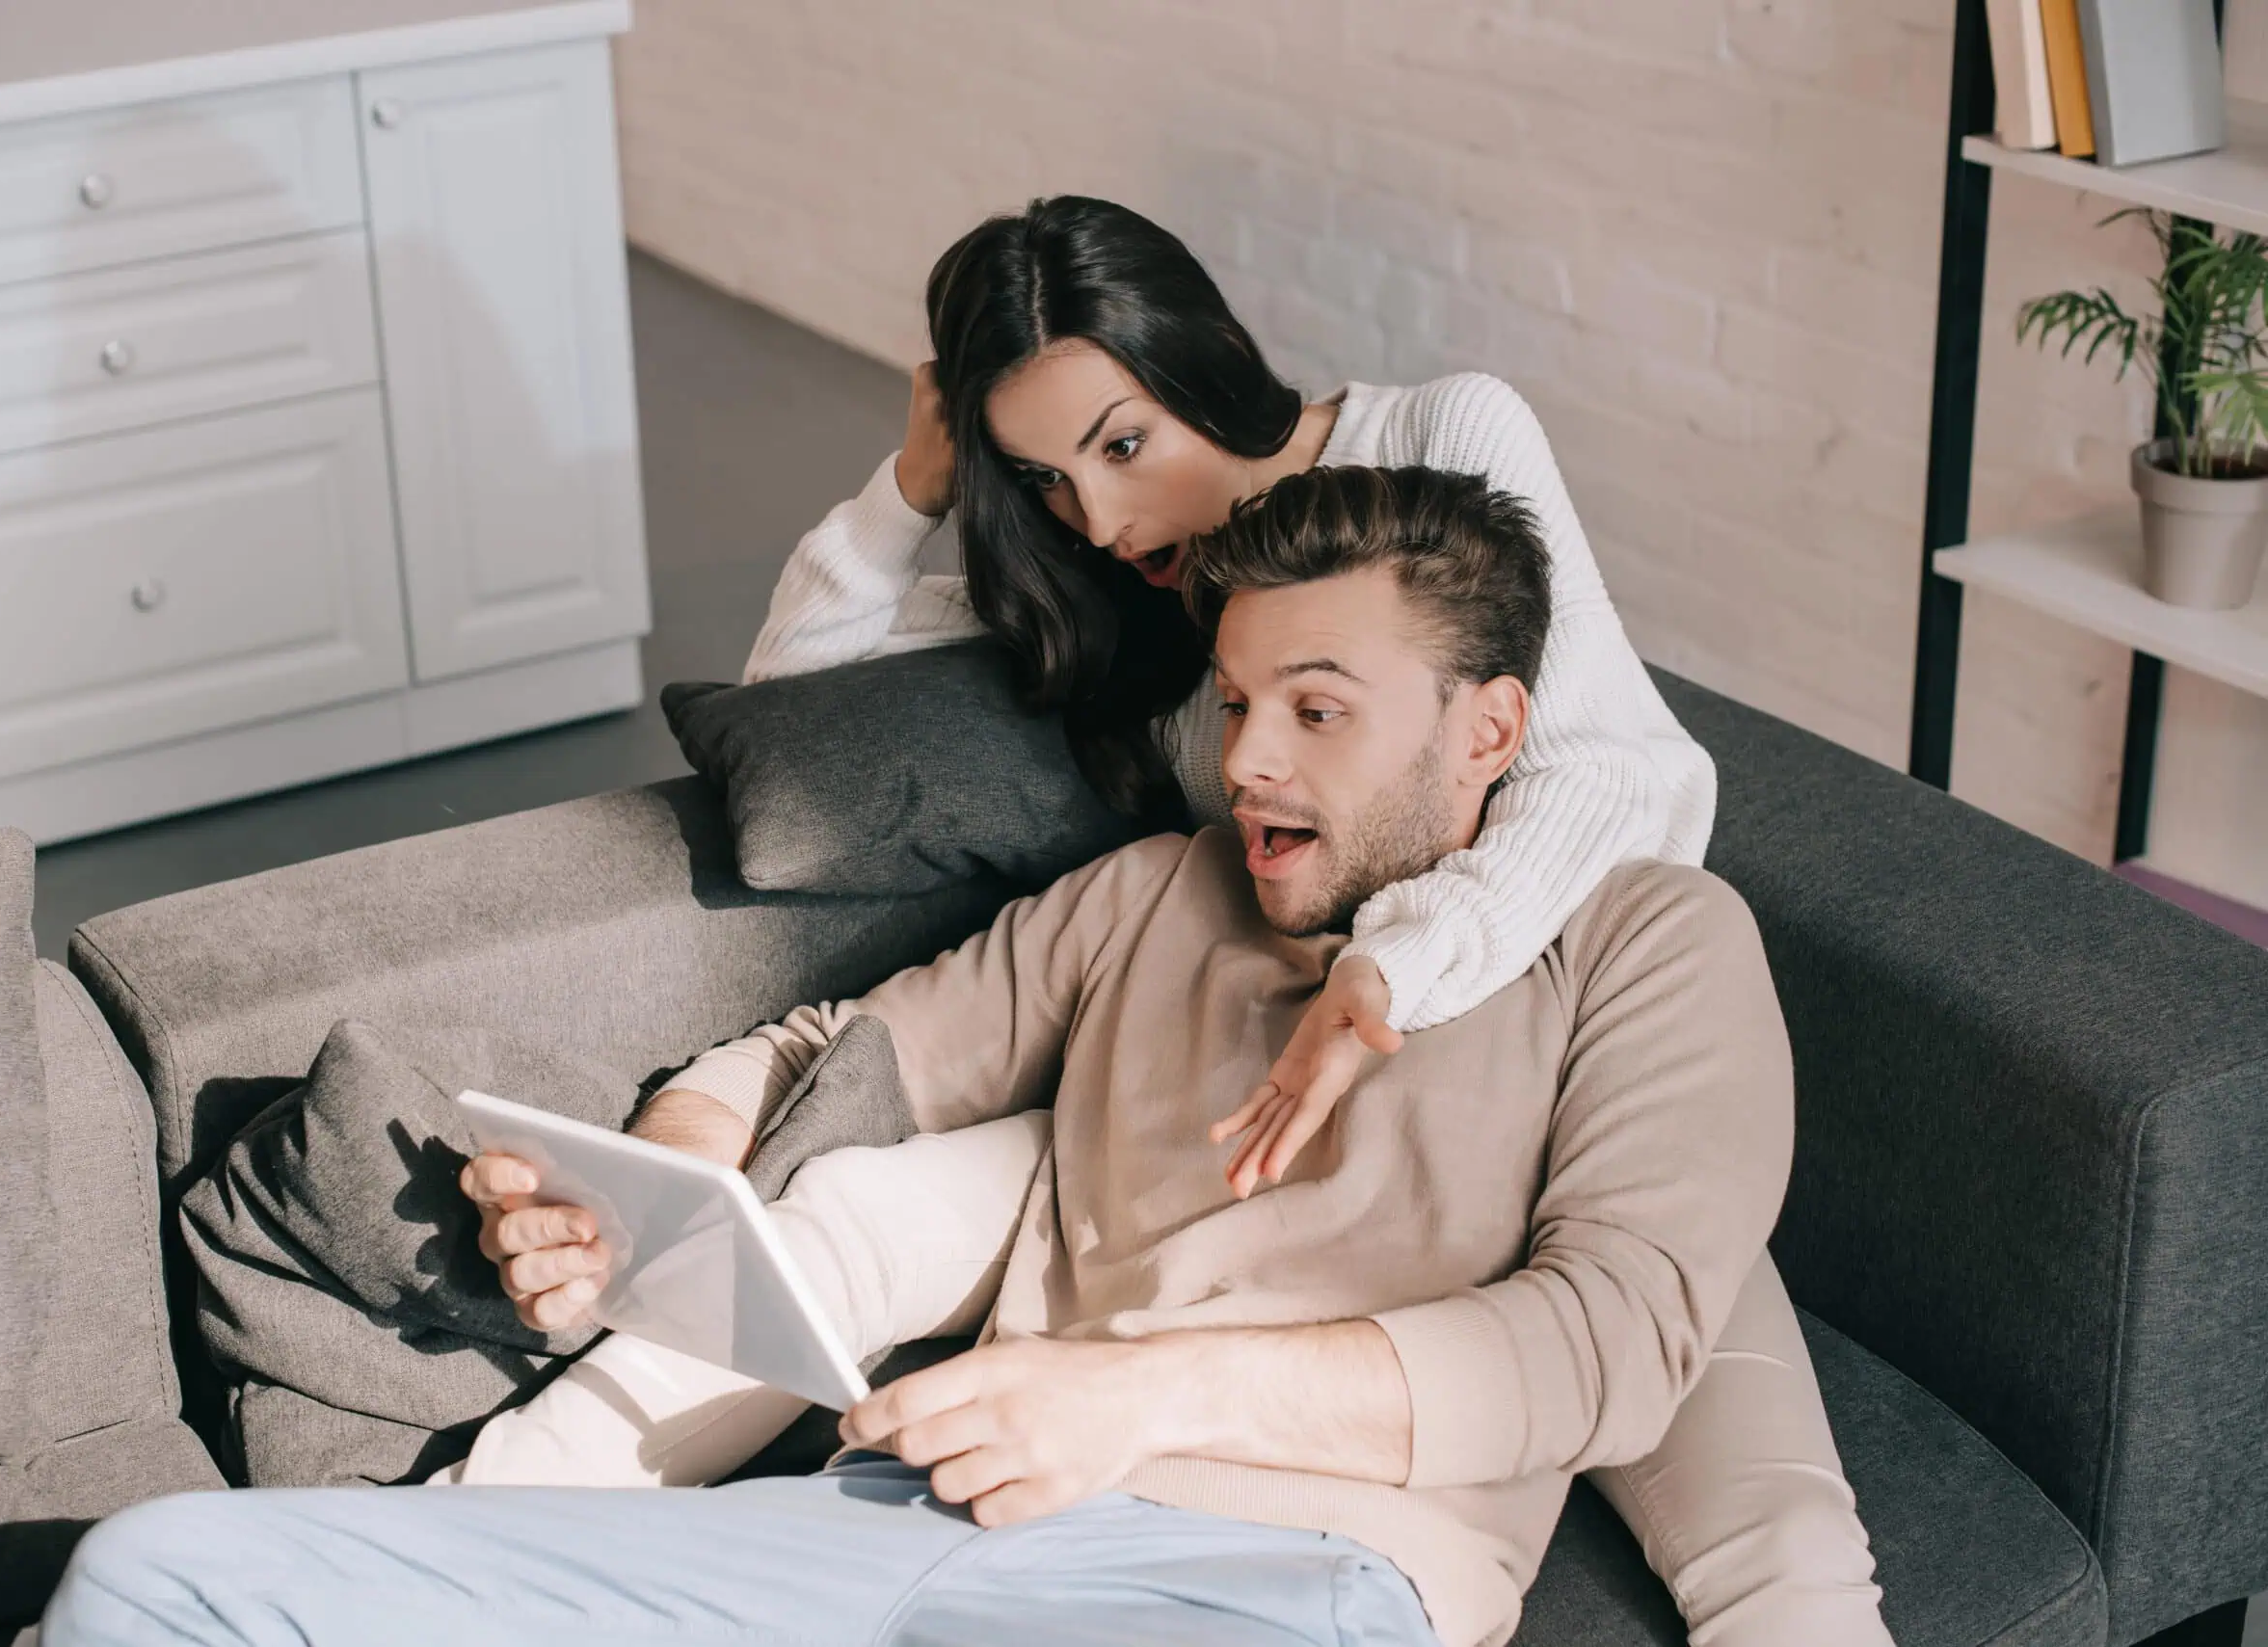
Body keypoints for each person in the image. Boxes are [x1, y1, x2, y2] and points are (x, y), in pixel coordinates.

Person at [44, 467, 1858, 1647]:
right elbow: (837, 1049)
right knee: (149, 1577)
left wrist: (1135, 1398)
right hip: (891, 1523)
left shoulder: (1645, 942)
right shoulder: (1160, 894)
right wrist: (660, 1184)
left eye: (1320, 710)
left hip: (1284, 1582)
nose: (1251, 760)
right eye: (1239, 703)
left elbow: (1612, 1346)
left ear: (1490, 731)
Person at [738, 196, 1889, 1637]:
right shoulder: (1113, 590)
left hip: (1548, 1060)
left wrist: (1400, 970)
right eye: (1043, 478)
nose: (1100, 519)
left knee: (1782, 1553)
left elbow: (1613, 779)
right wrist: (911, 488)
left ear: (1203, 361)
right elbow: (793, 721)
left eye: (1121, 445)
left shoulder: (1445, 436)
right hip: (1346, 1144)